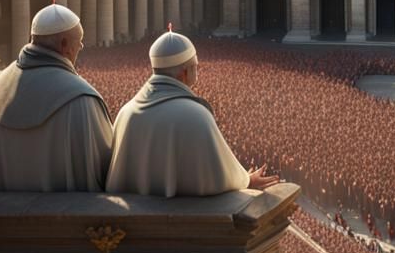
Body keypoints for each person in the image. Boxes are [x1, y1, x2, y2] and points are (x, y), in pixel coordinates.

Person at [105, 28, 279, 197]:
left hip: (132, 223)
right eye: (195, 65)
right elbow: (218, 179)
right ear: (185, 72)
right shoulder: (196, 116)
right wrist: (246, 181)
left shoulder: (125, 113)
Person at [0, 1, 112, 192]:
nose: (80, 48)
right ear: (65, 44)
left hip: (3, 214)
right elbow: (105, 170)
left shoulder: (2, 84)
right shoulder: (82, 99)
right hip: (61, 218)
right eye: (79, 43)